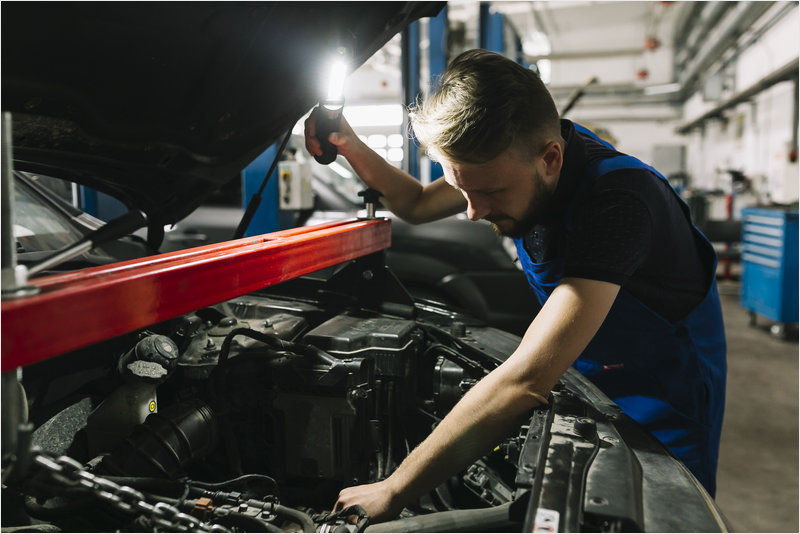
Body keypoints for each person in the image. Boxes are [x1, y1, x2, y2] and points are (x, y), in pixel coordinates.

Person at [305, 49, 726, 521]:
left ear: (551, 158)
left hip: (662, 397)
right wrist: (348, 143)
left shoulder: (621, 202)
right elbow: (418, 204)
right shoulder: (508, 158)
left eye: (489, 193)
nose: (472, 211)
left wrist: (394, 488)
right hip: (585, 374)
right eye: (462, 189)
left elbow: (526, 380)